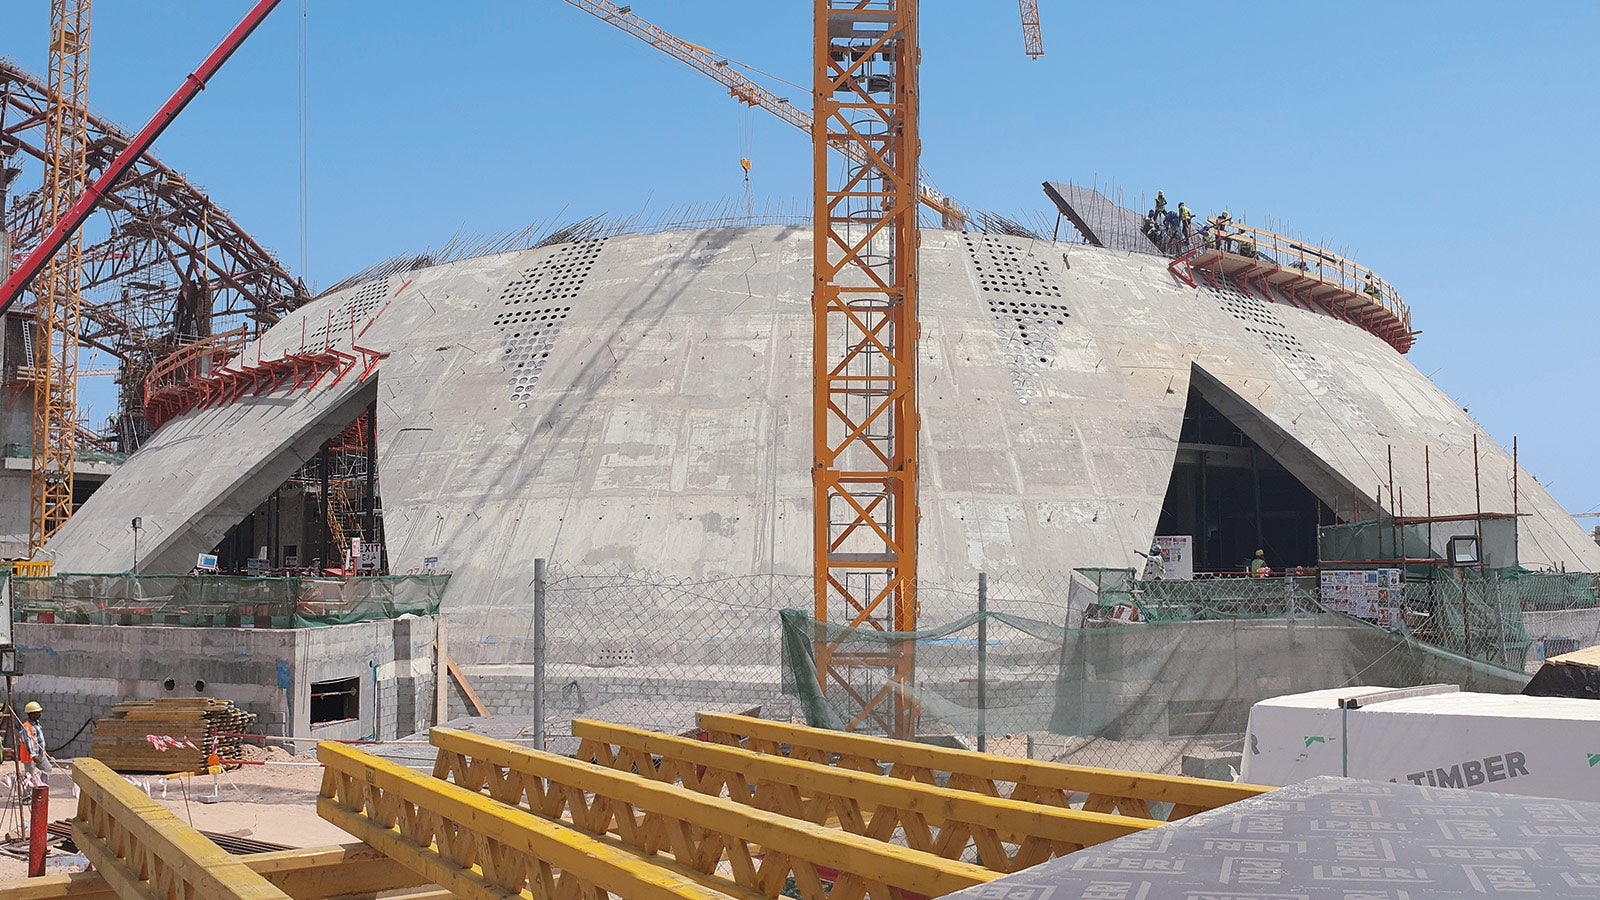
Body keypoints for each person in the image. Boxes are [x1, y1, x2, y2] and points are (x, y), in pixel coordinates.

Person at [18, 701, 51, 788]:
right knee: (29, 776)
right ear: (31, 714)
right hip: (30, 756)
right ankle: (27, 797)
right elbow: (27, 742)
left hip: (40, 753)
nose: (39, 714)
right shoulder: (26, 726)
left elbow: (40, 740)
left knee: (47, 769)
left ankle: (41, 787)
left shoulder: (37, 724)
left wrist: (43, 750)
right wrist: (33, 755)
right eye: (37, 712)